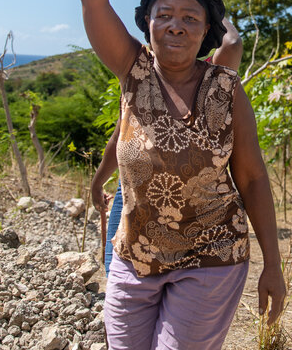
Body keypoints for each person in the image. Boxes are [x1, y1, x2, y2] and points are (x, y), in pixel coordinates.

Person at [81, 0, 285, 350]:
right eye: (164, 14)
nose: (176, 24)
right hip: (135, 256)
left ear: (208, 31)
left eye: (191, 17)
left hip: (212, 257)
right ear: (147, 23)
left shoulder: (227, 90)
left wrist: (273, 265)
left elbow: (253, 179)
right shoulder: (133, 71)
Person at [92, 18, 243, 274]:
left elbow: (232, 42)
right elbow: (120, 136)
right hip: (133, 193)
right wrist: (98, 181)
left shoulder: (211, 78)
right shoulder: (140, 77)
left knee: (181, 274)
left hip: (194, 205)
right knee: (116, 264)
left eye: (188, 21)